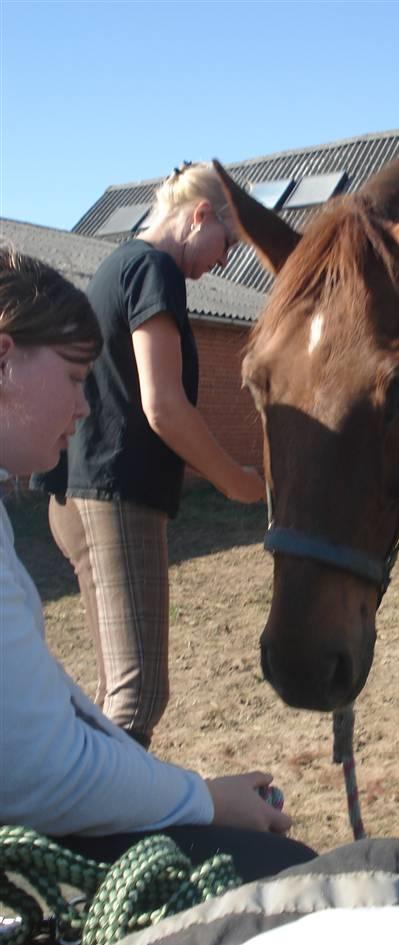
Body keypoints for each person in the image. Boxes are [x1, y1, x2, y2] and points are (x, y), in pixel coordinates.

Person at [0, 248, 316, 880]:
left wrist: (193, 790)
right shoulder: (151, 270)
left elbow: (50, 708)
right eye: (74, 378)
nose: (84, 406)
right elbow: (39, 767)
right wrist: (203, 802)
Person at [32, 161, 266, 750]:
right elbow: (163, 405)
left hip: (85, 494)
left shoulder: (122, 264)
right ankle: (111, 807)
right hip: (113, 496)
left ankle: (99, 795)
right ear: (200, 215)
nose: (225, 261)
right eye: (227, 244)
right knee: (138, 694)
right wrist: (236, 480)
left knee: (118, 689)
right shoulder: (152, 269)